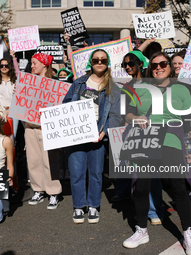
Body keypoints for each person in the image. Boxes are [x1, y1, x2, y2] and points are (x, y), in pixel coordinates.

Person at [122, 52, 191, 255]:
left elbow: (190, 122)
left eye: (163, 63)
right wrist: (135, 117)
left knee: (178, 187)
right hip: (145, 142)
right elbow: (128, 112)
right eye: (155, 64)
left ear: (170, 67)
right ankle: (141, 230)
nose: (158, 67)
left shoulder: (182, 90)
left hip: (171, 142)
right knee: (141, 187)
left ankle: (187, 233)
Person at [63, 49, 120, 224]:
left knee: (96, 172)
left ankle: (94, 205)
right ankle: (79, 207)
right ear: (91, 62)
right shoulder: (79, 83)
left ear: (107, 62)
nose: (99, 62)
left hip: (98, 132)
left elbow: (116, 115)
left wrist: (104, 131)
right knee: (77, 172)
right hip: (78, 133)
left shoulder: (112, 86)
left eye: (103, 59)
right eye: (96, 60)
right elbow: (65, 104)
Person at [25, 53, 62, 209]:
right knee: (33, 160)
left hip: (47, 128)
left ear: (44, 65)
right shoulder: (27, 83)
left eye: (34, 63)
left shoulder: (53, 84)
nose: (32, 66)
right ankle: (38, 190)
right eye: (31, 63)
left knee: (49, 161)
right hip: (29, 127)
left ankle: (53, 192)